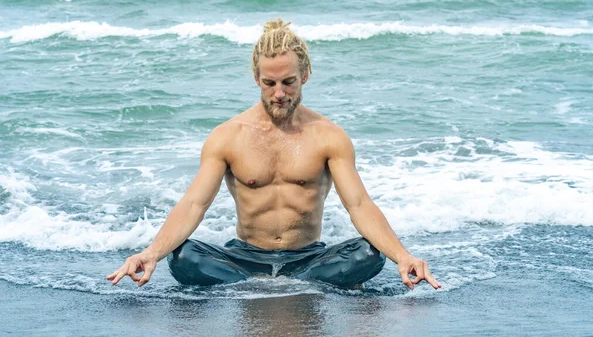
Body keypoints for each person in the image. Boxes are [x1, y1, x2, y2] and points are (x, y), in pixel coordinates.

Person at [107, 19, 441, 291]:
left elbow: (359, 205)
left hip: (309, 257)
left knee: (371, 254)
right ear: (256, 78)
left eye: (288, 82)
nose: (278, 93)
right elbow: (194, 204)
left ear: (305, 76)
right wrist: (150, 253)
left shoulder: (329, 136)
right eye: (269, 83)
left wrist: (402, 256)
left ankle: (268, 285)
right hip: (244, 257)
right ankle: (285, 285)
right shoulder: (227, 137)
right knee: (181, 257)